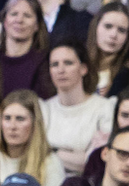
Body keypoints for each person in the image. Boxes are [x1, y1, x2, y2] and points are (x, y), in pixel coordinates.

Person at [40, 42, 114, 176]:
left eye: (68, 63)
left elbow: (94, 162)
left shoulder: (104, 108)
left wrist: (52, 152)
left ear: (83, 69)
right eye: (54, 64)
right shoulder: (44, 109)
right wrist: (76, 156)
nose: (61, 70)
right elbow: (34, 155)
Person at [0, 90, 64, 186]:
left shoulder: (50, 163)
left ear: (35, 123)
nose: (12, 126)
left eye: (20, 119)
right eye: (7, 118)